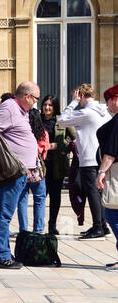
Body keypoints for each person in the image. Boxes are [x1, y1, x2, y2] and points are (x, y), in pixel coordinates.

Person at [0, 82, 43, 270]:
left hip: (21, 172)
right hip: (11, 172)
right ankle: (1, 256)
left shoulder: (21, 111)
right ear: (27, 97)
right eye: (36, 99)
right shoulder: (9, 109)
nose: (36, 103)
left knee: (5, 213)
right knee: (3, 214)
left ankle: (3, 252)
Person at [60, 84, 112, 240]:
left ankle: (98, 227)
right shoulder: (105, 112)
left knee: (93, 193)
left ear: (81, 95)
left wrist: (73, 103)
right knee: (100, 192)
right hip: (101, 157)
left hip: (88, 158)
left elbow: (62, 121)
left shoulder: (86, 113)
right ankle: (103, 225)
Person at [95, 85, 118, 267]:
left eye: (108, 101)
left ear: (114, 99)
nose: (107, 105)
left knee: (111, 213)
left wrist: (101, 173)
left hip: (115, 173)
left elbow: (110, 152)